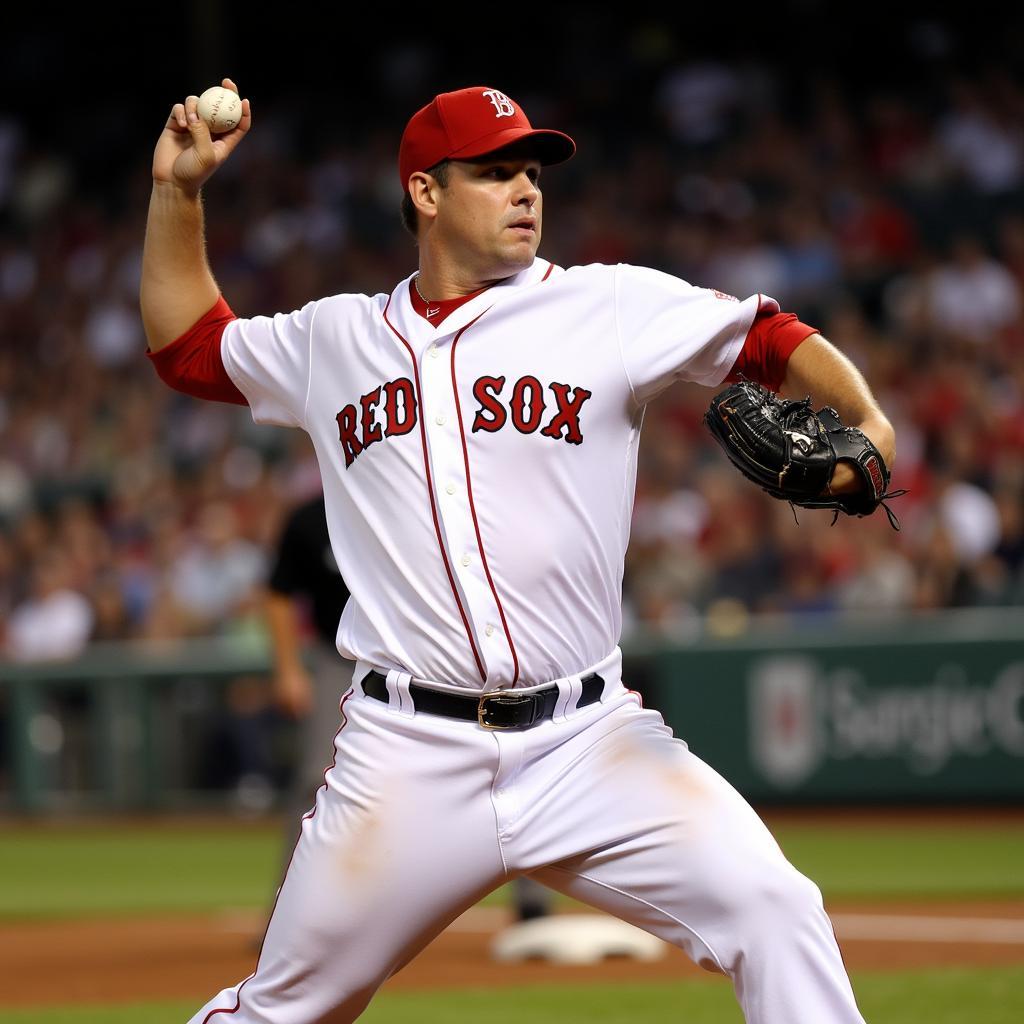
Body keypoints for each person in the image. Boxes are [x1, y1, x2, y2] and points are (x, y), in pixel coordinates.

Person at [142, 79, 895, 1024]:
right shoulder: (334, 338)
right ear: (425, 192)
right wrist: (178, 194)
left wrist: (868, 418)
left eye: (531, 172)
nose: (526, 190)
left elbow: (767, 333)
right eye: (495, 173)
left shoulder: (608, 306)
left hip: (590, 742)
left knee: (776, 910)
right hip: (407, 755)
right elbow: (187, 349)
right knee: (283, 1009)